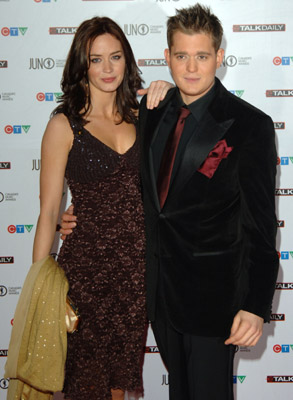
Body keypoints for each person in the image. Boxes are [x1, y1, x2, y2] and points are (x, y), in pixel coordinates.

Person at [61, 4, 279, 400]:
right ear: (167, 58)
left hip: (214, 300)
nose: (191, 68)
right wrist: (78, 214)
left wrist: (255, 303)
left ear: (219, 57)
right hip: (159, 295)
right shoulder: (151, 111)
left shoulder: (251, 125)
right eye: (181, 56)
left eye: (201, 56)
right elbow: (134, 189)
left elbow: (262, 226)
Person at [32, 16, 172, 400]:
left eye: (115, 57)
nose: (107, 68)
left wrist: (171, 91)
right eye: (96, 59)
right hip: (86, 274)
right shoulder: (64, 125)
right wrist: (39, 289)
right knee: (85, 384)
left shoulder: (145, 117)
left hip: (134, 276)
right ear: (82, 64)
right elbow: (47, 213)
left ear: (127, 60)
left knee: (117, 386)